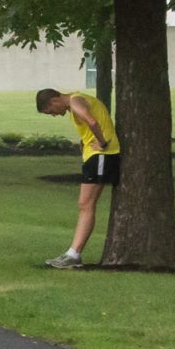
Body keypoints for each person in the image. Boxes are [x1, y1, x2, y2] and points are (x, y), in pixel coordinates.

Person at [36, 85, 120, 268]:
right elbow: (92, 123)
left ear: (54, 100)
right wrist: (85, 141)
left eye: (50, 111)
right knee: (84, 204)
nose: (54, 115)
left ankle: (74, 255)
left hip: (101, 155)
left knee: (86, 204)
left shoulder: (75, 102)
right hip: (95, 156)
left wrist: (103, 142)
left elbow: (92, 121)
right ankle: (72, 253)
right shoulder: (78, 101)